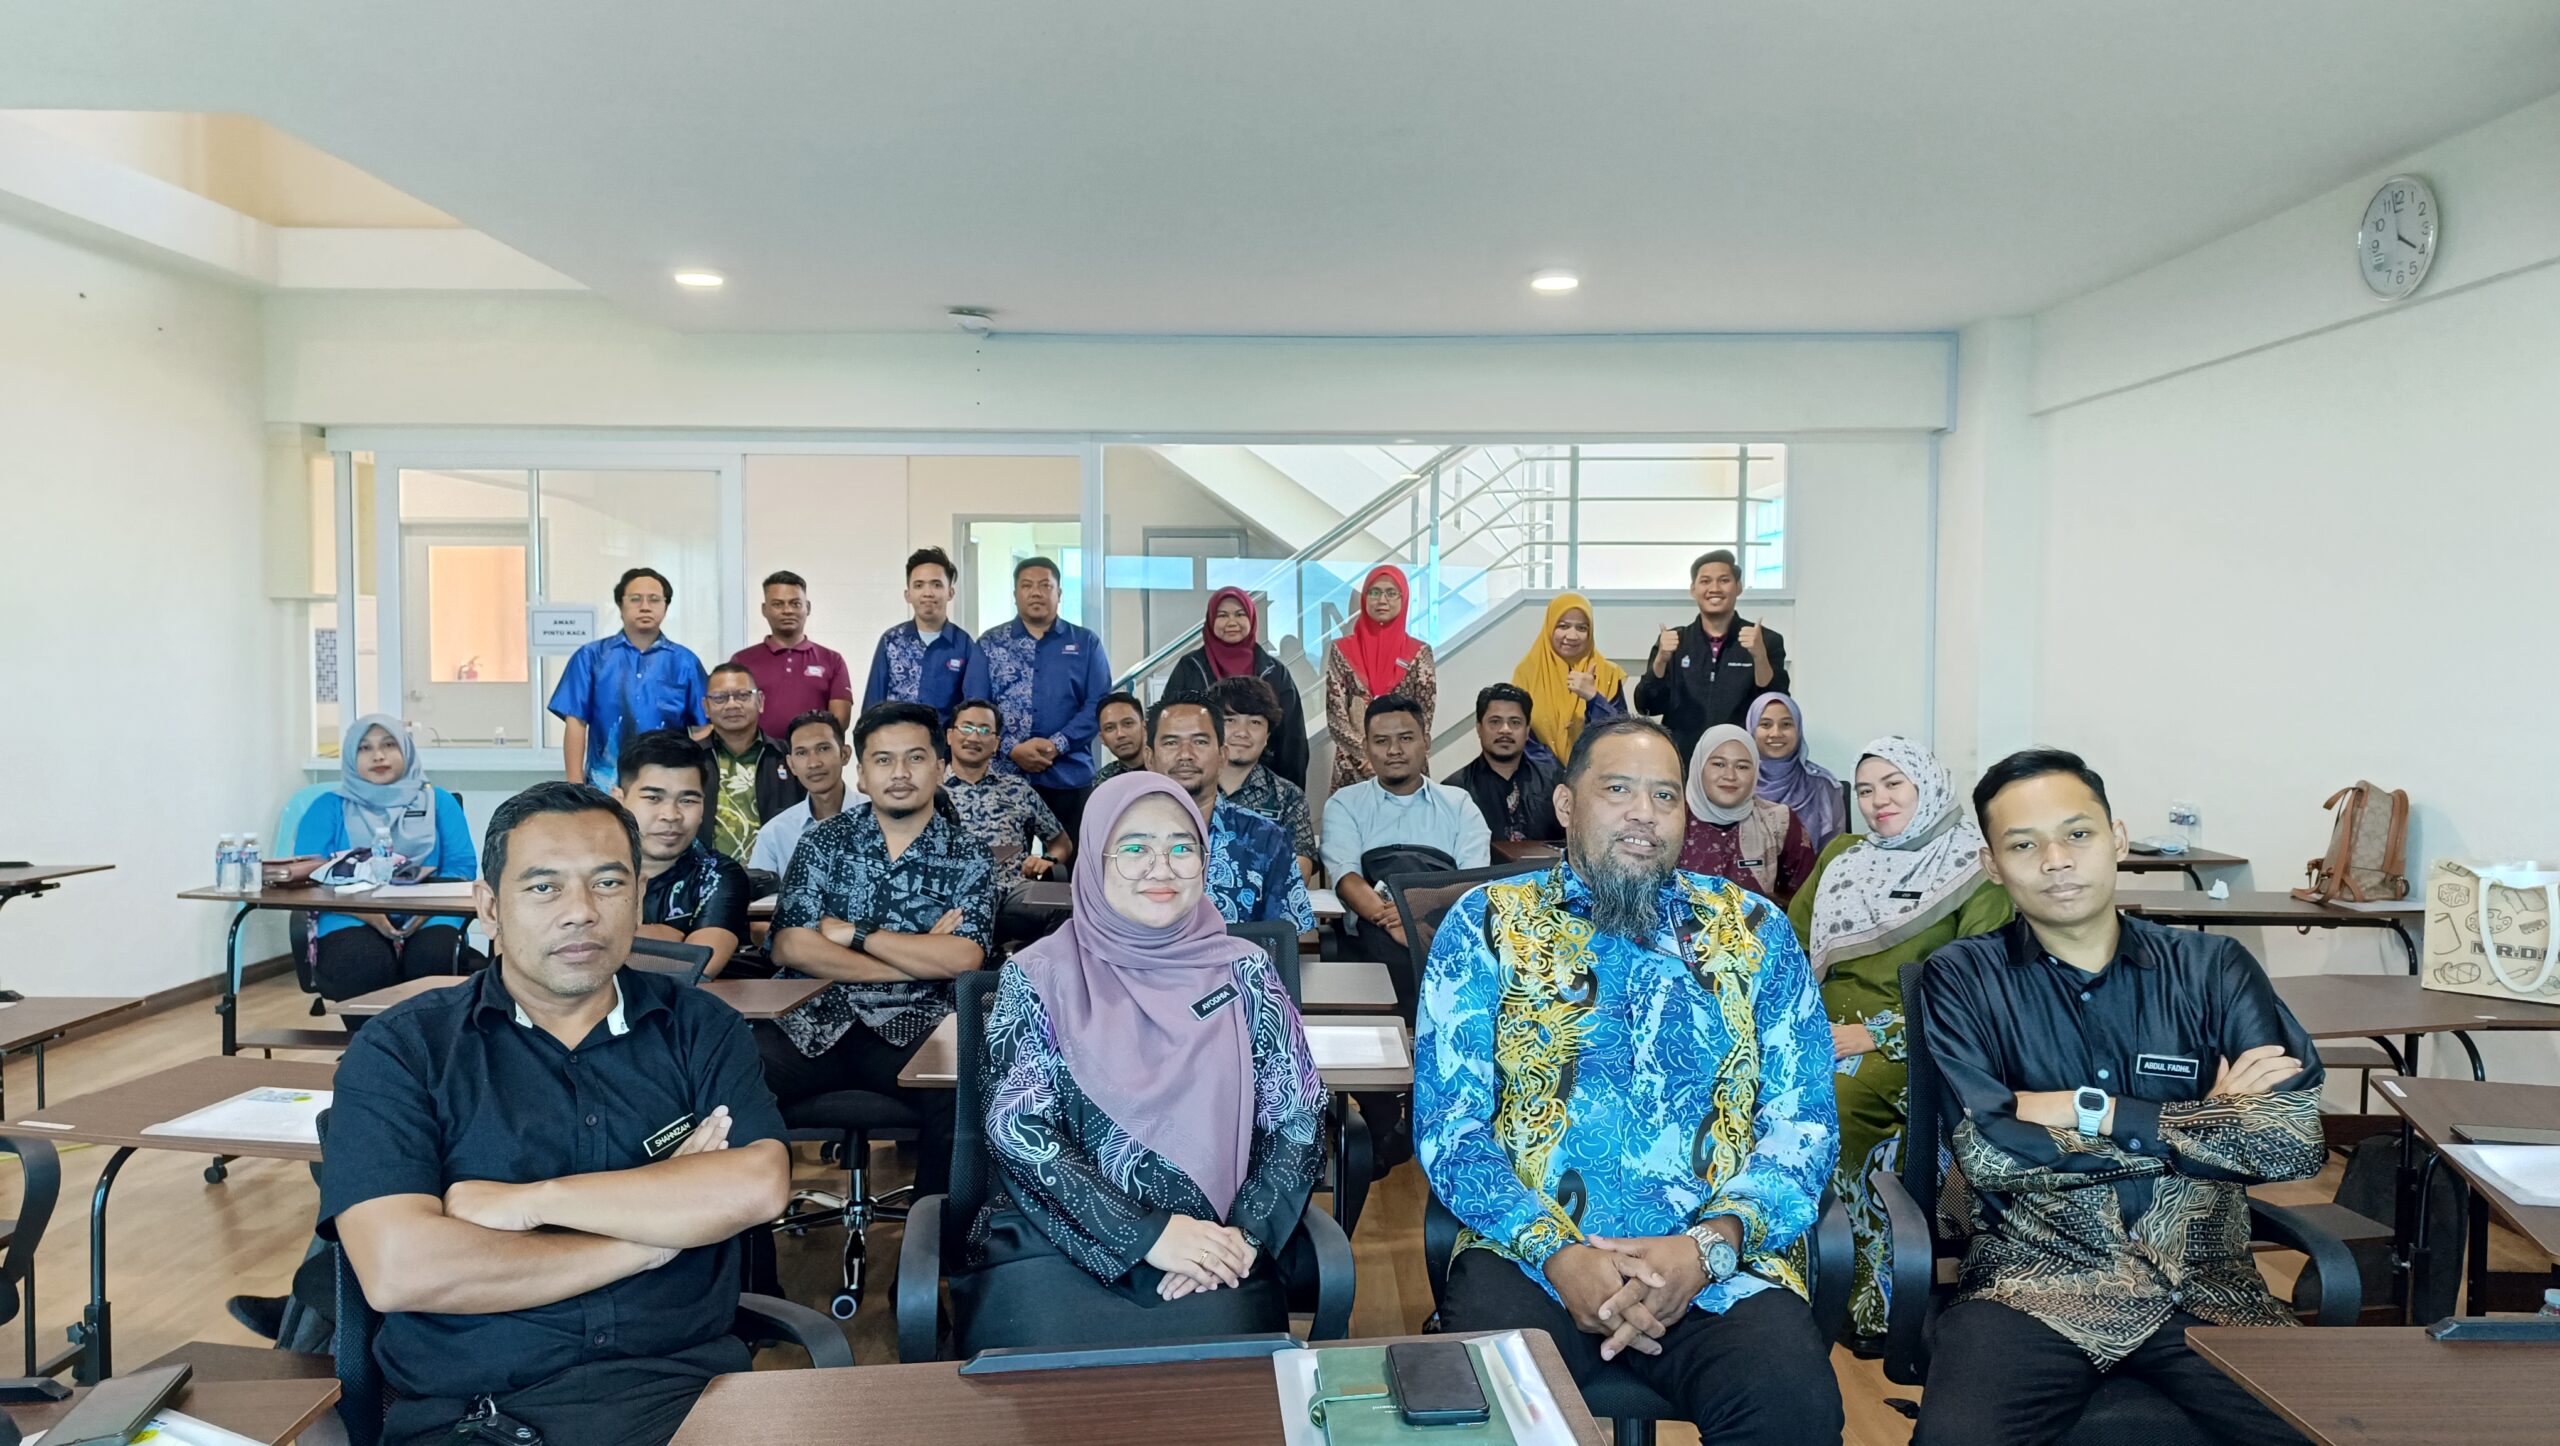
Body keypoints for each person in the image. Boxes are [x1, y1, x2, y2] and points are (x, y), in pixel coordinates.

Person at [322, 781, 792, 1446]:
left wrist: (532, 1203)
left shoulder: (699, 1028)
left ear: (637, 896)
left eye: (608, 883)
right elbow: (402, 1268)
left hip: (687, 1399)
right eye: (544, 887)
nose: (581, 912)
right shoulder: (404, 1050)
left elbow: (756, 1186)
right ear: (490, 906)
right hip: (478, 1415)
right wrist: (651, 1241)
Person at [1416, 717, 1844, 1446]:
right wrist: (1558, 1250)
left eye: (1665, 796)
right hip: (1532, 1257)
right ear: (1566, 804)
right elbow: (1450, 1129)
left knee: (1792, 1412)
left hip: (1719, 1264)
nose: (1644, 813)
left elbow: (1802, 1124)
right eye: (1618, 790)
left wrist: (1708, 1247)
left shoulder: (1754, 932)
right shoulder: (1489, 925)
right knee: (1478, 1421)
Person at [1914, 749, 2324, 1446]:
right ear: (1992, 864)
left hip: (2209, 1286)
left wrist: (2091, 1110)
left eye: (2077, 834)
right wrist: (2209, 1120)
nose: (2056, 860)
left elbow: (2292, 1141)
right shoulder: (1963, 978)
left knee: (2329, 1430)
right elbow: (1989, 1153)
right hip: (2032, 1285)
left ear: (2118, 839)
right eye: (2023, 844)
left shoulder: (2214, 969)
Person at [952, 772, 1327, 1353]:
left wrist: (1246, 1237)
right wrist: (1147, 1234)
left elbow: (1298, 1118)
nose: (1161, 868)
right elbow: (1017, 1128)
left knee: (1232, 1385)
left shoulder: (1246, 972)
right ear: (1094, 862)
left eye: (1182, 848)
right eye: (1134, 849)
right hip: (1054, 1239)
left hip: (1215, 1246)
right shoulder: (1038, 974)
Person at [1787, 735, 2014, 1345]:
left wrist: (1876, 1033)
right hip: (1818, 1025)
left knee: (1835, 1102)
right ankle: (1780, 1277)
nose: (1877, 801)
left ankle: (1862, 1294)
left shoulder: (1975, 869)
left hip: (1916, 1041)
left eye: (1894, 784)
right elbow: (1790, 943)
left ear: (1929, 786)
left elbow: (1977, 988)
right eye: (1865, 790)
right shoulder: (1843, 855)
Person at [760, 701, 996, 1198]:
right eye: (883, 760)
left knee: (963, 1094)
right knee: (726, 1078)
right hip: (812, 1017)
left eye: (915, 757)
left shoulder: (969, 854)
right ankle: (748, 1245)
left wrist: (857, 934)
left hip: (917, 1024)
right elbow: (791, 944)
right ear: (863, 774)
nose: (900, 773)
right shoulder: (823, 842)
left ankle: (931, 1243)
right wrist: (916, 960)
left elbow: (963, 958)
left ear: (940, 767)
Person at [297, 715, 478, 1000]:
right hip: (348, 913)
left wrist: (421, 911)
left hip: (433, 913)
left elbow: (461, 869)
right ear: (350, 755)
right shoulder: (327, 808)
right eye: (364, 748)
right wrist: (367, 913)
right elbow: (308, 876)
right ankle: (373, 1032)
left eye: (389, 744)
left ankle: (429, 1032)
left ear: (406, 750)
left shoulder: (439, 802)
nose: (378, 756)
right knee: (362, 961)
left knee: (432, 957)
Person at [1323, 694, 1491, 963]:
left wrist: (1424, 901)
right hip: (1373, 931)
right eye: (1381, 741)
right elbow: (1347, 879)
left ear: (1426, 742)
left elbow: (1474, 878)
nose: (1394, 750)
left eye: (1406, 738)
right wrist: (1400, 924)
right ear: (1366, 747)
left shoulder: (1458, 803)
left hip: (1445, 930)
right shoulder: (1345, 803)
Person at [962, 555, 1114, 840]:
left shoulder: (1085, 643)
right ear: (1015, 594)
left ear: (1059, 593)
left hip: (1069, 774)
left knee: (1072, 859)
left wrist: (1057, 745)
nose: (1036, 592)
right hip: (1004, 777)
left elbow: (1099, 703)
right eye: (1027, 585)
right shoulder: (990, 644)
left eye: (1045, 585)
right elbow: (975, 706)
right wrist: (1011, 748)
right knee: (1005, 861)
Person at [1149, 693, 1313, 931]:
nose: (1185, 755)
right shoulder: (1121, 837)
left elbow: (1284, 936)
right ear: (1149, 758)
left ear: (1223, 756)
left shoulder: (1267, 839)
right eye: (1171, 742)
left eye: (1200, 742)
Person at [548, 566, 707, 790]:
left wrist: (701, 784)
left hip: (670, 786)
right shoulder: (590, 657)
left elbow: (702, 729)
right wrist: (575, 787)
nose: (645, 607)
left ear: (666, 606)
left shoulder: (685, 662)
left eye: (654, 599)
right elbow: (576, 722)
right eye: (635, 599)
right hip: (605, 786)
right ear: (620, 605)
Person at [614, 730, 753, 980]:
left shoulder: (718, 874)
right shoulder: (588, 870)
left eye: (687, 800)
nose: (671, 815)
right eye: (653, 798)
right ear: (619, 801)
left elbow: (698, 967)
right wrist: (667, 940)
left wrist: (613, 940)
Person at [1634, 550, 1790, 766]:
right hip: (1682, 762)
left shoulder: (1766, 641)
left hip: (1739, 764)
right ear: (1693, 589)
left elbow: (1776, 705)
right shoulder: (1674, 640)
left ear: (1738, 587)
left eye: (1724, 580)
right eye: (1705, 581)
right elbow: (1647, 706)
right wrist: (1661, 661)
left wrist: (1760, 657)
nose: (1714, 588)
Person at [1165, 587, 1312, 789]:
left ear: (1251, 619)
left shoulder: (1274, 672)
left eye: (1240, 614)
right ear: (1210, 620)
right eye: (1222, 615)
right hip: (1199, 783)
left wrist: (1291, 790)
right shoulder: (1190, 667)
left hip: (1263, 785)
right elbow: (1170, 724)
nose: (1232, 622)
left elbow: (1292, 739)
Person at [1321, 564, 1438, 789]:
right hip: (1353, 767)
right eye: (1374, 592)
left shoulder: (1419, 652)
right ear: (1364, 598)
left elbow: (1423, 716)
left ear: (1404, 599)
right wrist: (1367, 756)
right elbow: (1336, 716)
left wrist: (1390, 756)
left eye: (1391, 593)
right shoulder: (1341, 650)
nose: (1382, 600)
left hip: (1405, 765)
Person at [1680, 724, 1816, 907]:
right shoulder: (1673, 819)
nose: (1730, 776)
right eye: (1719, 764)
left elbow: (1803, 899)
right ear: (1699, 766)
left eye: (1742, 766)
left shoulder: (1779, 821)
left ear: (1756, 771)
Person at [689, 662, 804, 868]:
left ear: (760, 701)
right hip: (705, 877)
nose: (732, 705)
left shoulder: (787, 757)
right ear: (706, 707)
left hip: (778, 875)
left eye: (742, 695)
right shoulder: (689, 759)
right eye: (720, 698)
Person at [1207, 675, 1319, 886]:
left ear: (1267, 736)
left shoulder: (1288, 797)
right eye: (1230, 720)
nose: (1242, 732)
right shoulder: (1188, 789)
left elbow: (1300, 870)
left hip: (1265, 905)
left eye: (1255, 722)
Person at [945, 697, 1073, 879]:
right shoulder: (930, 792)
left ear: (996, 743)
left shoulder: (1018, 789)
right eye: (966, 728)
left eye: (984, 730)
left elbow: (1061, 843)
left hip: (1013, 889)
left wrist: (1047, 860)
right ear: (950, 736)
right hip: (948, 889)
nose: (973, 737)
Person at [728, 570, 854, 741]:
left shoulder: (832, 660)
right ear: (764, 610)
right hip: (759, 753)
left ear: (807, 607)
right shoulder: (741, 661)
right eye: (778, 604)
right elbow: (733, 711)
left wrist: (807, 748)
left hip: (812, 754)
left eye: (795, 604)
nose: (787, 610)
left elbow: (840, 720)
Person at [862, 547, 977, 726]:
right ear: (907, 595)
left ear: (950, 593)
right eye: (918, 585)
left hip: (943, 742)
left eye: (937, 585)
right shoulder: (891, 641)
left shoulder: (964, 645)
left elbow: (972, 708)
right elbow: (873, 703)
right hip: (896, 740)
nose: (927, 593)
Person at [1513, 591, 1626, 764]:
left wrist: (1594, 698)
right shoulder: (1527, 672)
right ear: (1549, 627)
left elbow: (1620, 735)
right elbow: (1521, 734)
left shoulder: (1607, 673)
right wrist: (1557, 773)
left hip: (1595, 771)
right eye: (1563, 626)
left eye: (1582, 628)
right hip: (1540, 775)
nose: (1572, 636)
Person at [1443, 683, 1562, 843]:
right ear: (1479, 728)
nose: (1505, 730)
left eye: (1515, 722)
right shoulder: (1454, 790)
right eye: (1495, 721)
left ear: (1527, 731)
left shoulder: (1553, 781)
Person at [749, 710, 852, 883]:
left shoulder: (881, 819)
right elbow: (760, 896)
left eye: (823, 749)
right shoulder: (774, 834)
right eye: (802, 753)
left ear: (844, 754)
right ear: (791, 765)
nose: (814, 763)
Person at [1748, 692, 1848, 856]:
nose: (1776, 733)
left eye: (1786, 724)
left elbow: (1834, 853)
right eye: (1765, 724)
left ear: (1798, 729)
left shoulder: (1822, 786)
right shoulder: (1737, 783)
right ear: (1752, 729)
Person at [1093, 690, 1149, 785]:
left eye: (1128, 723)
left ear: (1144, 727)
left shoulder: (1167, 770)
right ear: (1102, 738)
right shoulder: (1104, 782)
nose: (1120, 734)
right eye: (1110, 728)